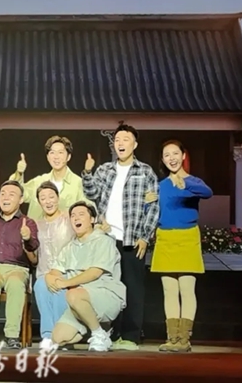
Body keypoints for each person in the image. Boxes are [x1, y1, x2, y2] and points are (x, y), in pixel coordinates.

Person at [82, 122, 159, 351]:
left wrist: (145, 236)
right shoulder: (105, 169)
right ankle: (110, 333)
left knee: (133, 288)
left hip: (133, 240)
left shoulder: (145, 171)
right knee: (109, 287)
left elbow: (153, 207)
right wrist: (87, 173)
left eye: (126, 140)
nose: (120, 144)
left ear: (135, 144)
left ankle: (131, 336)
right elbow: (92, 194)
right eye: (117, 140)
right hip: (107, 239)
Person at [152, 140, 212, 353]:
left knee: (186, 289)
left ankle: (184, 339)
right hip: (165, 237)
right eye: (167, 155)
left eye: (175, 153)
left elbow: (208, 193)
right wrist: (149, 201)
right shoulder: (160, 186)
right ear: (162, 159)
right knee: (169, 290)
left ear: (183, 155)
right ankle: (172, 338)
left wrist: (185, 183)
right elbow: (154, 211)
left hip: (187, 236)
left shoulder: (193, 182)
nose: (171, 158)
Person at [49, 202, 126, 352]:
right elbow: (55, 271)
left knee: (72, 294)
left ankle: (98, 334)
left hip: (105, 294)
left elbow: (95, 272)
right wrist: (50, 278)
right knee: (58, 339)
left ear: (92, 219)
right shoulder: (69, 247)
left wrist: (65, 283)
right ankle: (99, 328)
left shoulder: (104, 241)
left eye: (81, 214)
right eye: (73, 215)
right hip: (79, 299)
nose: (76, 218)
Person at [0, 180, 40, 349]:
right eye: (3, 194)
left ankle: (12, 335)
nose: (6, 197)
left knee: (15, 284)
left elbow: (33, 249)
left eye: (11, 194)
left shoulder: (28, 222)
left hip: (18, 268)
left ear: (21, 199)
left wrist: (27, 238)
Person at [28, 181, 74, 350]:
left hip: (67, 272)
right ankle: (48, 336)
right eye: (43, 198)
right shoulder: (36, 225)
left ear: (58, 198)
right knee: (40, 286)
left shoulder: (69, 219)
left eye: (51, 197)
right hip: (44, 273)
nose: (48, 201)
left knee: (59, 287)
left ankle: (61, 336)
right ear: (39, 202)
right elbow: (33, 257)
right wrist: (26, 241)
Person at [9, 136, 88, 221]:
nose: (56, 157)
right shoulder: (39, 182)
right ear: (47, 157)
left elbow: (88, 212)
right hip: (37, 229)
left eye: (60, 152)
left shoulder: (79, 183)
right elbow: (16, 193)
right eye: (52, 152)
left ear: (68, 157)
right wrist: (19, 173)